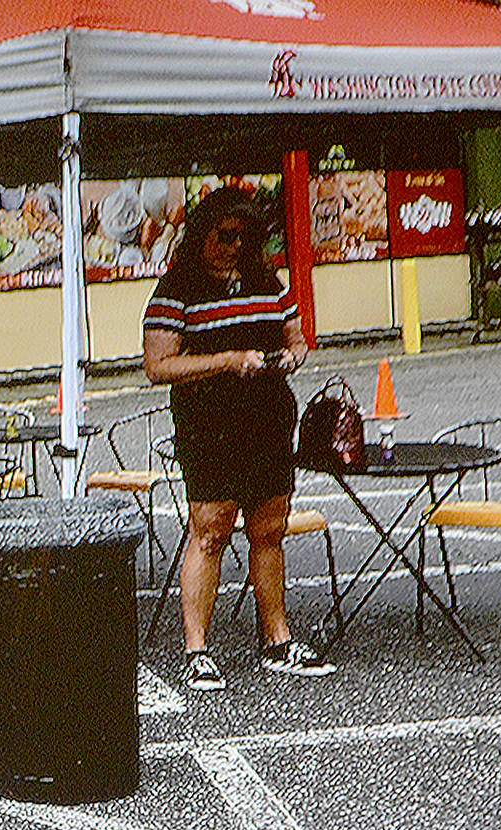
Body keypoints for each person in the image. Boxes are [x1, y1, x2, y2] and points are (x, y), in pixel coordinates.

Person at [142, 185, 337, 691]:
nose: (232, 246)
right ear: (201, 235)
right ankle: (196, 649)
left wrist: (291, 356)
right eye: (223, 236)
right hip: (210, 419)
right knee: (210, 527)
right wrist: (228, 361)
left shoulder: (268, 283)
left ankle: (277, 638)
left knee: (270, 527)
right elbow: (158, 366)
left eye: (243, 237)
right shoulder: (176, 289)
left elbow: (297, 339)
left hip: (268, 413)